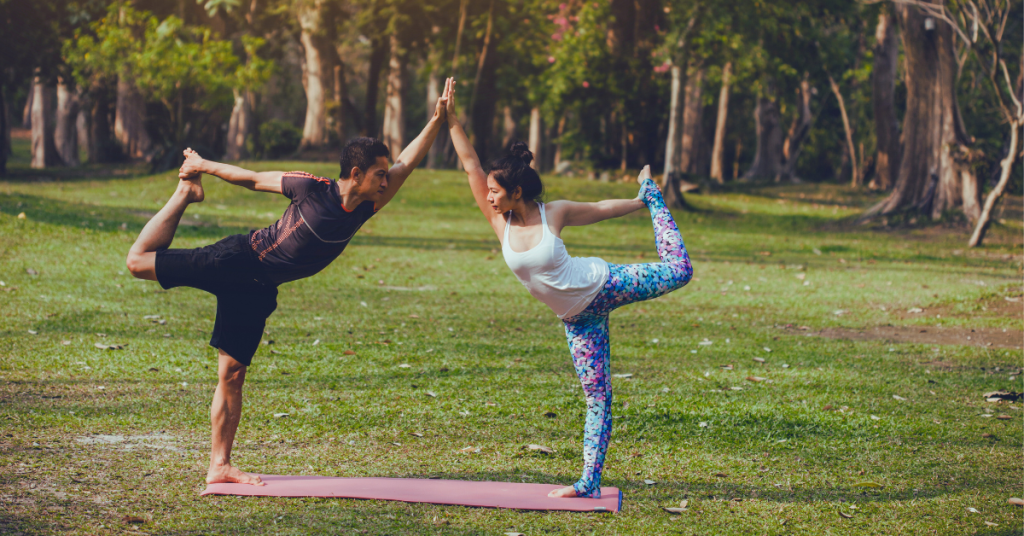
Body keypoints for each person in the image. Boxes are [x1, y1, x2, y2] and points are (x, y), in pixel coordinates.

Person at [125, 79, 454, 487]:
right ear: (356, 174)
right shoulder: (310, 189)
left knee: (232, 374)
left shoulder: (367, 206)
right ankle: (184, 195)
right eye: (379, 175)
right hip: (236, 259)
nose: (387, 182)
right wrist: (202, 167)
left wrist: (437, 120)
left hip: (259, 288)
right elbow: (251, 178)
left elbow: (406, 162)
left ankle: (220, 465)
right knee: (138, 262)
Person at [444, 82, 693, 498]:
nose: (488, 197)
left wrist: (642, 201)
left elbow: (598, 210)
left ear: (516, 192)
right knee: (598, 397)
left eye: (495, 191)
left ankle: (657, 199)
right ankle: (588, 484)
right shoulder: (499, 223)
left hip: (605, 284)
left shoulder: (552, 213)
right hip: (577, 321)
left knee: (680, 270)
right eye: (488, 191)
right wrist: (450, 120)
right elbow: (470, 165)